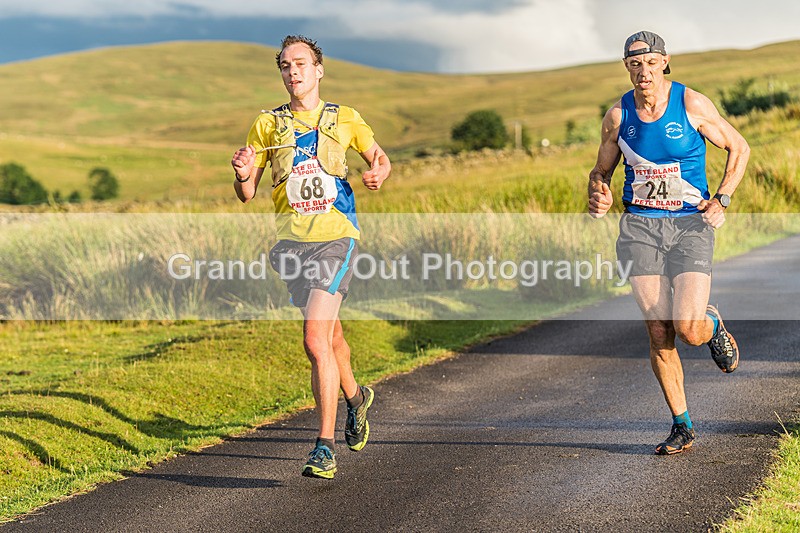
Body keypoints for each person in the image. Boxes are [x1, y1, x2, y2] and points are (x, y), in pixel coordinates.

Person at [231, 35, 391, 478]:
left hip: (336, 239)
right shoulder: (266, 126)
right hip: (291, 246)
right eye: (284, 66)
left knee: (313, 339)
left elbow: (378, 156)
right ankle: (357, 399)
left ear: (319, 69)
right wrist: (242, 173)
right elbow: (246, 194)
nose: (292, 72)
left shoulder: (345, 119)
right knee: (332, 338)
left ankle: (323, 446)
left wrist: (378, 170)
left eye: (300, 63)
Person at [587, 31, 750, 455]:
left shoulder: (692, 104)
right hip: (639, 228)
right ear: (627, 66)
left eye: (651, 63)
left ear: (665, 63)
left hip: (690, 226)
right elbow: (600, 171)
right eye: (635, 64)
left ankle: (711, 324)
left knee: (689, 330)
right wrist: (598, 191)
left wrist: (723, 198)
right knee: (659, 329)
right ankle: (682, 425)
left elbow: (739, 147)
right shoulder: (617, 117)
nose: (643, 72)